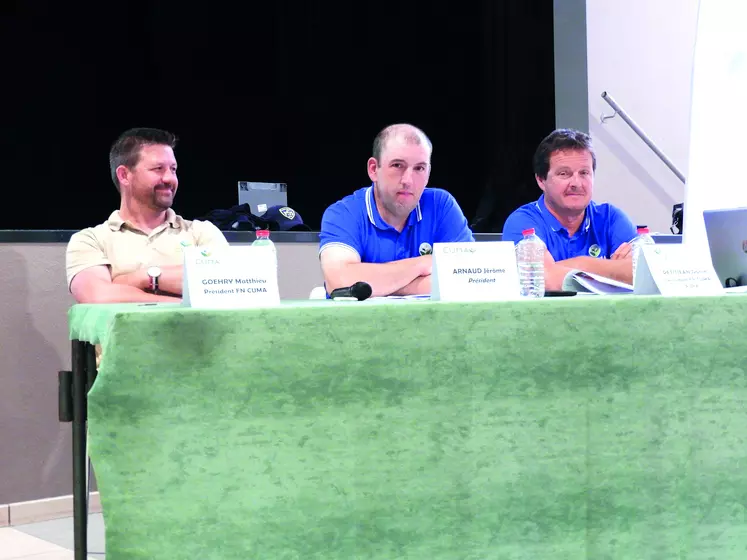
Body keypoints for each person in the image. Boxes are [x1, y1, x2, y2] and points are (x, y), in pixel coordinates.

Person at [66, 127, 229, 303]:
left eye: (173, 169)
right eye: (158, 169)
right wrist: (185, 303)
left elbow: (224, 283)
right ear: (124, 175)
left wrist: (145, 277)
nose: (169, 178)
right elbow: (98, 296)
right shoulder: (90, 240)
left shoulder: (201, 233)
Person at [319, 123, 474, 297]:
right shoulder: (344, 213)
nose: (408, 180)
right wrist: (423, 263)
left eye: (419, 168)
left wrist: (380, 286)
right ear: (373, 170)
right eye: (398, 165)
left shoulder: (441, 206)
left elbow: (466, 279)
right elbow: (339, 282)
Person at [502, 128, 637, 286]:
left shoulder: (611, 218)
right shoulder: (523, 222)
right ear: (541, 180)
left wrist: (578, 265)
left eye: (584, 173)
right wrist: (612, 269)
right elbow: (543, 280)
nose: (576, 183)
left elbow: (641, 273)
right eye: (564, 174)